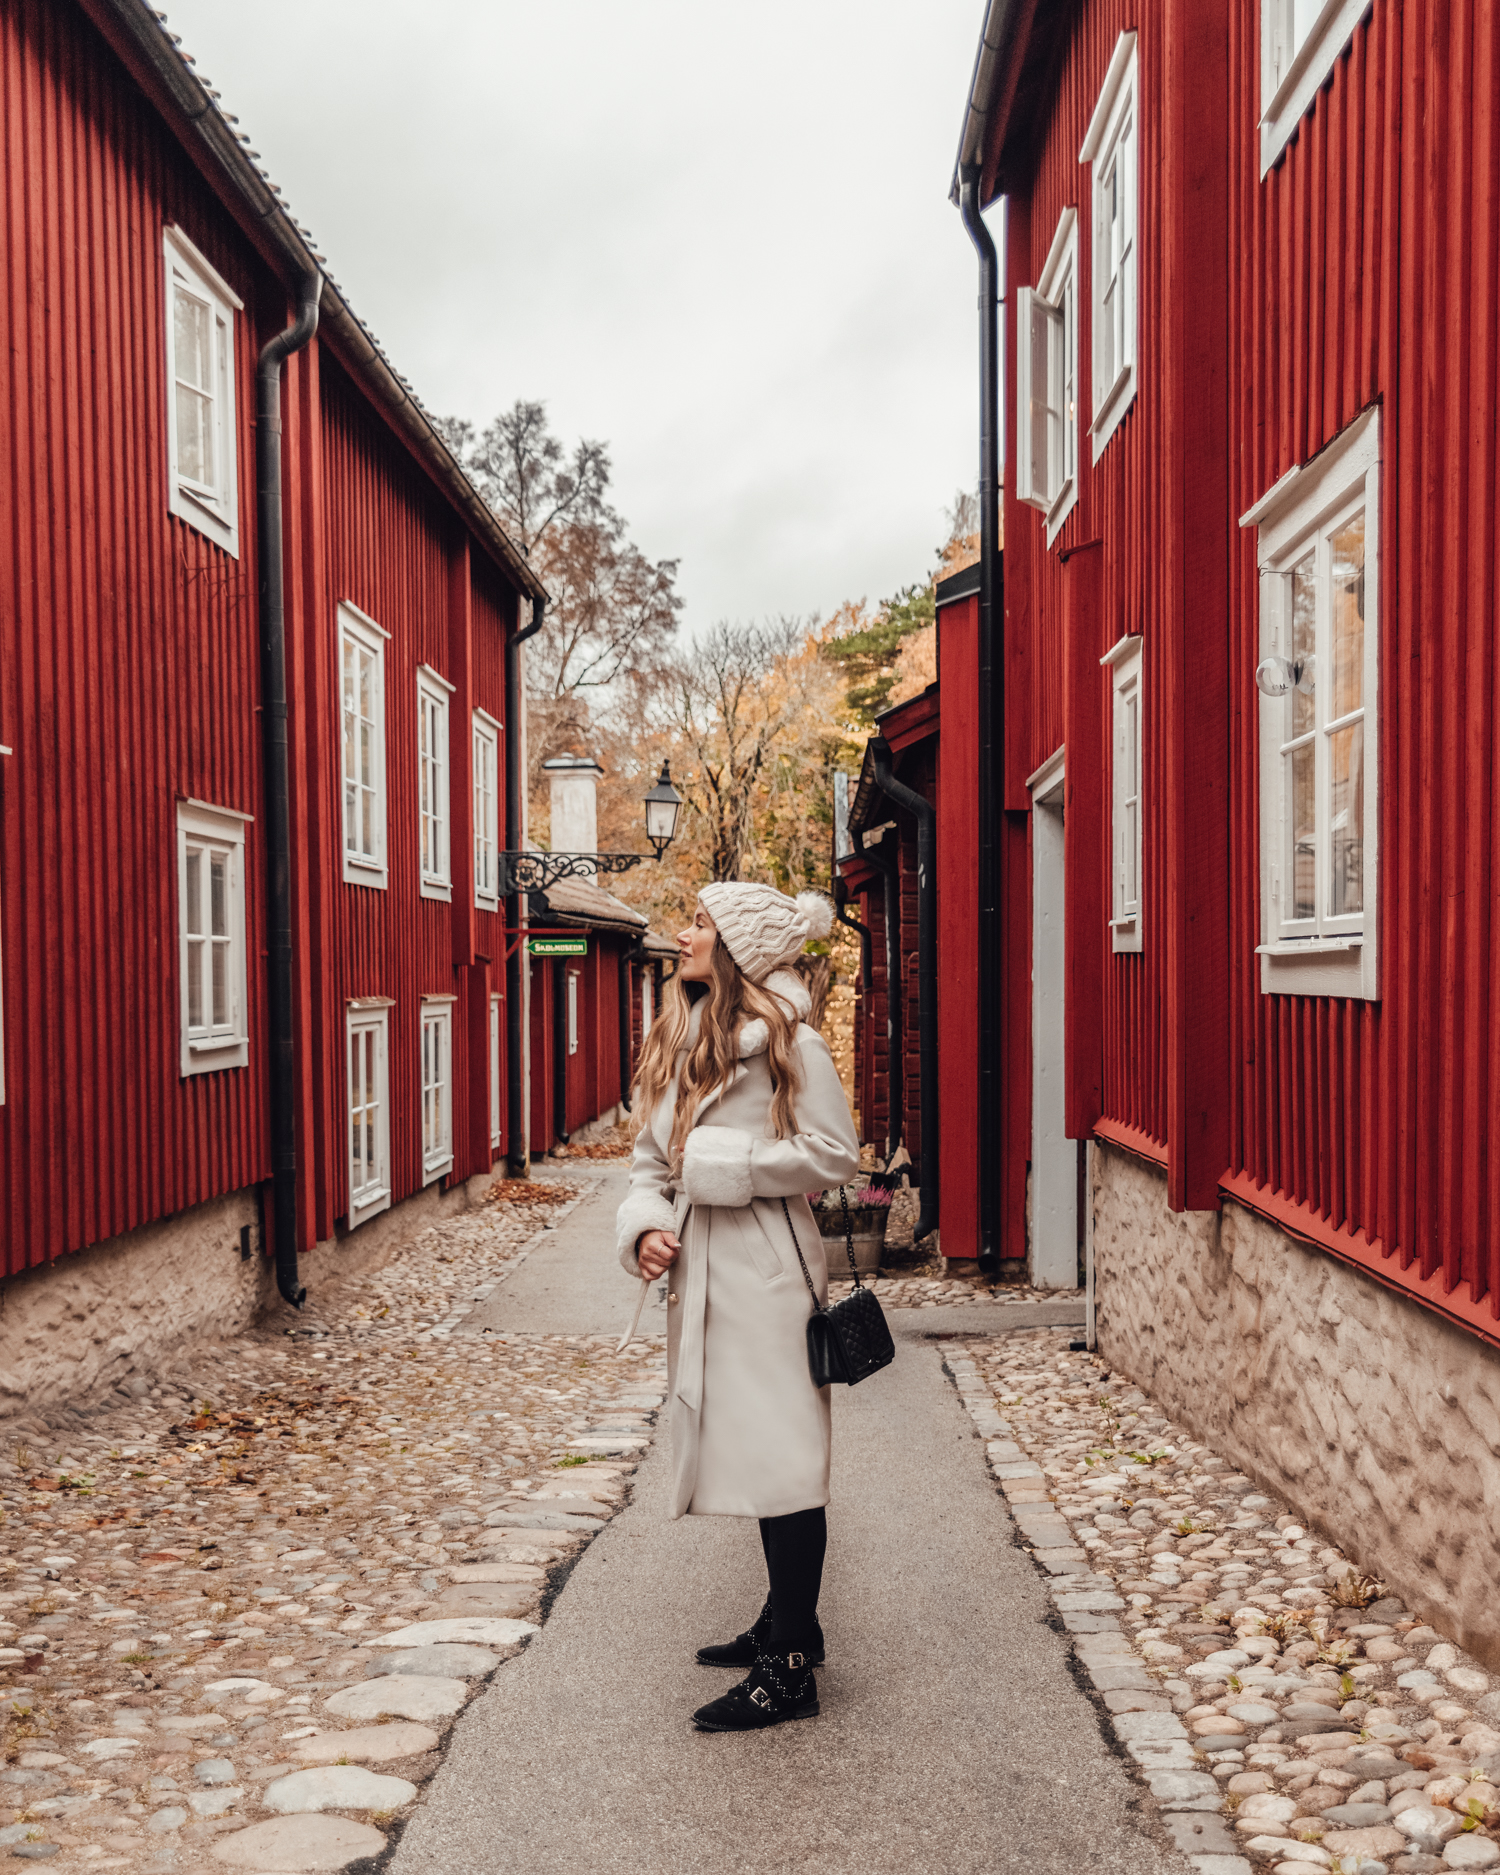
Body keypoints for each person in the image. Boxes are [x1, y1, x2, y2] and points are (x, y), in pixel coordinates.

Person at [616, 881, 860, 1732]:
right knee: (758, 1453)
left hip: (769, 1274)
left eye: (702, 924)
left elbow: (836, 1154)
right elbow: (649, 1166)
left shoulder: (793, 1042)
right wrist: (645, 1227)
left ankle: (791, 1667)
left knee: (786, 1458)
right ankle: (786, 1619)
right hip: (706, 1277)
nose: (685, 935)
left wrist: (730, 1167)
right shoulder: (682, 1038)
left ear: (738, 952)